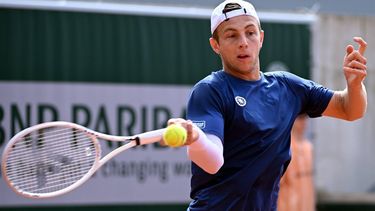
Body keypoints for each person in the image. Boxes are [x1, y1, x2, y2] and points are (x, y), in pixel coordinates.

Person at [164, 0, 368, 210]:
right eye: (232, 35)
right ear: (216, 45)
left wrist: (355, 84)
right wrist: (196, 139)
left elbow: (349, 109)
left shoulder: (288, 87)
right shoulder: (210, 90)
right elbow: (212, 161)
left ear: (261, 38)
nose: (243, 42)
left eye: (250, 32)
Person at [277, 115, 315, 211]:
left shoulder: (308, 148)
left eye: (305, 118)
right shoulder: (283, 148)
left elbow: (309, 184)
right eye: (300, 118)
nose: (304, 122)